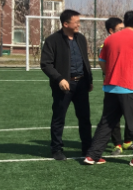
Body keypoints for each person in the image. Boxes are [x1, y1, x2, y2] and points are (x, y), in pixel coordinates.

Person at [83, 11, 133, 166]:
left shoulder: (110, 39)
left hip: (110, 88)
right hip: (130, 89)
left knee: (107, 122)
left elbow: (101, 61)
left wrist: (111, 74)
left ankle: (92, 155)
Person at [40, 9, 94, 160]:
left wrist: (89, 80)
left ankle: (87, 148)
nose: (78, 25)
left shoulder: (81, 38)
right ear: (65, 24)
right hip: (63, 86)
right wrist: (59, 79)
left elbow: (85, 61)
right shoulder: (52, 40)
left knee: (84, 118)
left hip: (81, 84)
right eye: (76, 22)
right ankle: (56, 149)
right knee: (59, 118)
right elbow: (46, 64)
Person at [102, 17, 133, 156]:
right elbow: (103, 64)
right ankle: (117, 145)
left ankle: (127, 141)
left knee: (130, 115)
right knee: (114, 117)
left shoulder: (127, 42)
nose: (123, 31)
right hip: (113, 87)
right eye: (120, 29)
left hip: (128, 85)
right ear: (111, 30)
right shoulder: (107, 44)